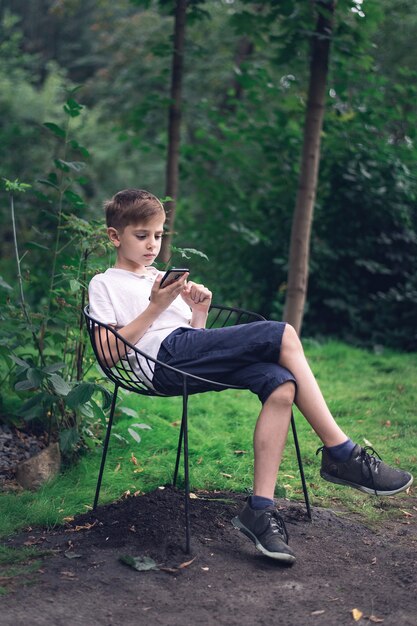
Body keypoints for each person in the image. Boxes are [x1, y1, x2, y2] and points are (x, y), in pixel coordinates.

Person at [88, 188, 413, 564]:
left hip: (182, 356)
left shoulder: (159, 277)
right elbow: (108, 354)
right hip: (158, 363)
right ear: (115, 236)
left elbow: (195, 339)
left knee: (280, 383)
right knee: (283, 334)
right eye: (141, 236)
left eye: (158, 236)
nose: (152, 245)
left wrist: (198, 311)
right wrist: (155, 306)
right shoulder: (105, 283)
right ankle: (342, 453)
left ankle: (259, 510)